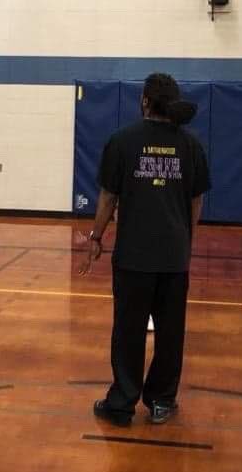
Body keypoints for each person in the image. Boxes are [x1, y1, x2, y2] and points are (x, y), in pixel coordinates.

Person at [81, 73, 210, 427]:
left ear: (144, 102)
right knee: (170, 332)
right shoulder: (190, 145)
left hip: (133, 258)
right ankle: (162, 401)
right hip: (173, 257)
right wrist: (186, 237)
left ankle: (121, 403)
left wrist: (96, 237)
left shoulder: (122, 141)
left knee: (128, 331)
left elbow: (108, 196)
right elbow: (197, 199)